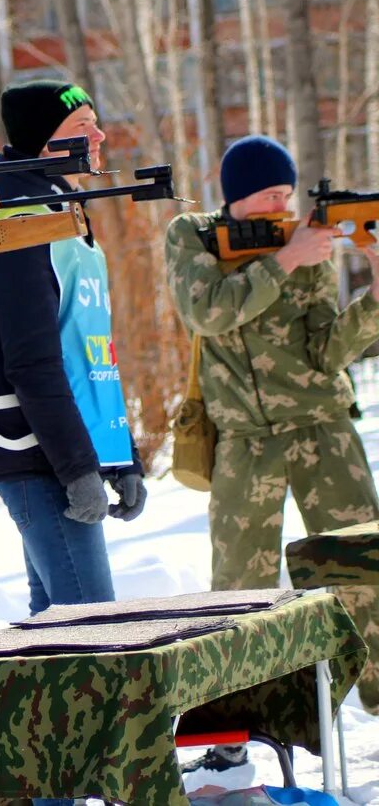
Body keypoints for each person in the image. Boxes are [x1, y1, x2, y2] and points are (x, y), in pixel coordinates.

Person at [165, 134, 379, 772]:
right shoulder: (193, 237)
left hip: (321, 428)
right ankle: (227, 736)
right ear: (236, 196)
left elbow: (326, 351)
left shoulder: (306, 242)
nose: (283, 206)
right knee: (237, 591)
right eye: (268, 195)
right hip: (246, 442)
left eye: (288, 195)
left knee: (363, 572)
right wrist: (283, 260)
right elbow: (205, 312)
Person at [0, 80, 147, 612]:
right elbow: (32, 361)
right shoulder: (21, 219)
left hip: (61, 454)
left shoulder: (58, 206)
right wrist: (78, 469)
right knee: (90, 637)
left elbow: (87, 352)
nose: (100, 134)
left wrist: (120, 454)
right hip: (39, 457)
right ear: (46, 143)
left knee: (60, 631)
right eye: (82, 126)